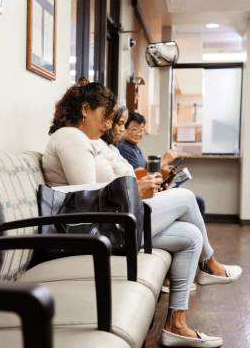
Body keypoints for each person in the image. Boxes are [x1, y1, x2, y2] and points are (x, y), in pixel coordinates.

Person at [42, 77, 242, 348]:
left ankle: (177, 326)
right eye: (105, 116)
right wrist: (135, 189)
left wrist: (138, 187)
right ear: (85, 109)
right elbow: (86, 197)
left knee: (191, 235)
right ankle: (209, 264)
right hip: (96, 229)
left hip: (112, 222)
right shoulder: (70, 137)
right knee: (184, 198)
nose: (108, 125)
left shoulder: (91, 140)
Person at [116, 111, 207, 222]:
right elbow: (137, 175)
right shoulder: (123, 148)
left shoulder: (135, 148)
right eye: (134, 129)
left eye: (141, 130)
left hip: (153, 192)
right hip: (143, 197)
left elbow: (145, 172)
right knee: (198, 201)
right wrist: (164, 161)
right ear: (124, 128)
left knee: (195, 200)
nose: (138, 134)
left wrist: (163, 171)